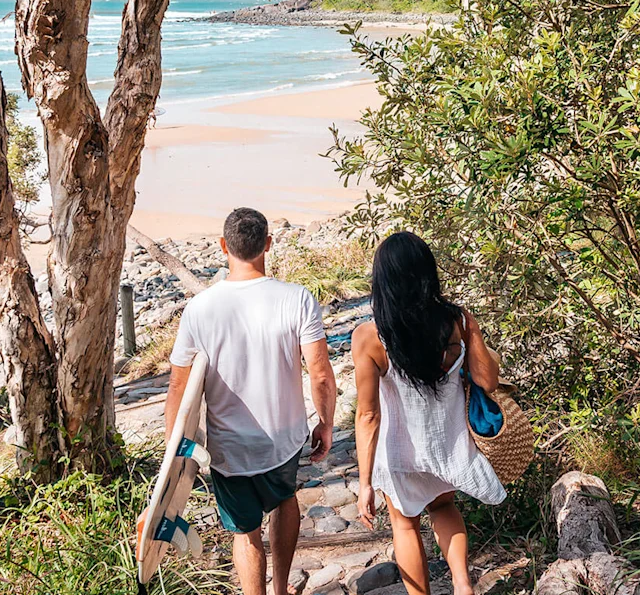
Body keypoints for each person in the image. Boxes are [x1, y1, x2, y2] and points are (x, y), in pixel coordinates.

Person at [164, 207, 337, 595]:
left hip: (230, 449)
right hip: (283, 439)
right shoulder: (297, 298)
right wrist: (325, 423)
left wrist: (174, 450)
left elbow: (178, 387)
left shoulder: (199, 309)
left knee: (245, 533)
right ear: (268, 245)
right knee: (284, 499)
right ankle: (280, 591)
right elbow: (320, 372)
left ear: (223, 246)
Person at [352, 231, 506, 595]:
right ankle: (463, 585)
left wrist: (364, 483)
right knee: (444, 508)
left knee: (404, 525)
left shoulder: (370, 336)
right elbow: (487, 379)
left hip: (400, 453)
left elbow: (368, 415)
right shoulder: (457, 321)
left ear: (382, 280)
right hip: (447, 445)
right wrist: (471, 336)